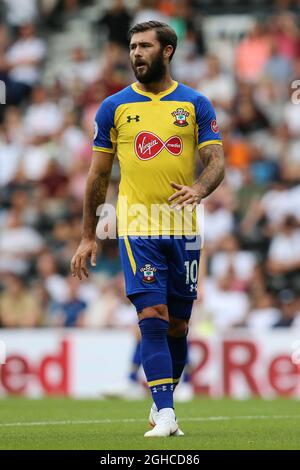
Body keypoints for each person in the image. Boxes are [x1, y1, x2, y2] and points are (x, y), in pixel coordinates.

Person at [71, 21, 225, 437]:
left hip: (185, 228)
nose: (135, 53)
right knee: (152, 316)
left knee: (178, 325)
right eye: (132, 46)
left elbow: (216, 162)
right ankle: (168, 414)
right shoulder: (114, 107)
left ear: (168, 51)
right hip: (138, 225)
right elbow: (97, 176)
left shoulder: (195, 104)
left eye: (144, 46)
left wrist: (198, 189)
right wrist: (88, 235)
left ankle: (163, 406)